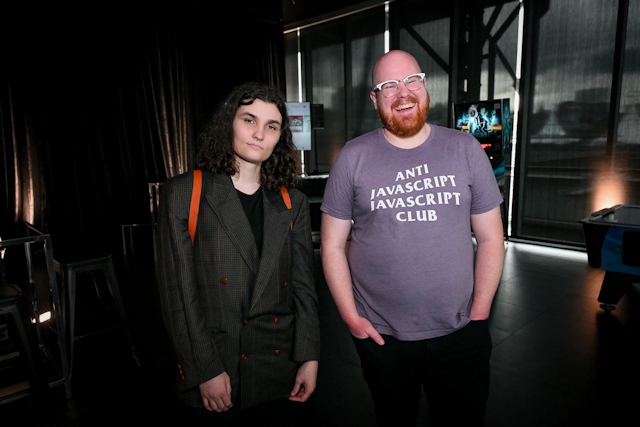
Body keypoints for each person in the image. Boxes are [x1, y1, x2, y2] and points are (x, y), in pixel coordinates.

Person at [320, 50, 505, 426]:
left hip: (460, 332)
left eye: (411, 81)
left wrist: (480, 312)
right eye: (388, 86)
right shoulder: (353, 157)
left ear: (425, 87)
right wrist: (351, 318)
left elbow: (490, 238)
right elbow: (332, 245)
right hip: (381, 337)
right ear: (375, 98)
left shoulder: (466, 149)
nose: (402, 92)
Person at [155, 82, 320, 426]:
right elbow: (179, 295)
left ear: (279, 137)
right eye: (249, 120)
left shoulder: (294, 203)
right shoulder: (185, 192)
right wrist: (205, 370)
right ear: (229, 122)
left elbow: (304, 289)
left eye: (271, 126)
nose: (259, 133)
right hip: (218, 367)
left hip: (279, 369)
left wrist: (309, 357)